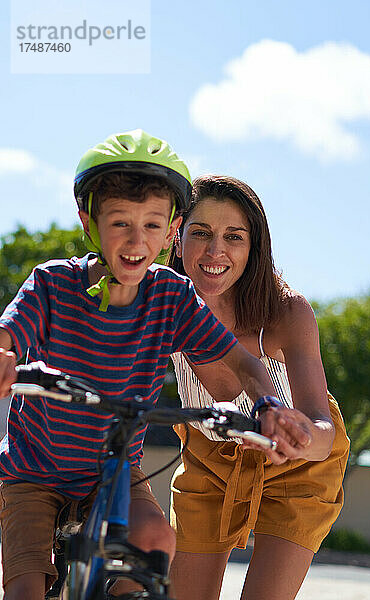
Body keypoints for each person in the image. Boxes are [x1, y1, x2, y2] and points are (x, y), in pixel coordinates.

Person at [0, 132, 308, 600]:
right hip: (33, 471)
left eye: (152, 225)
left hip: (117, 470)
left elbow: (243, 362)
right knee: (25, 586)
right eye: (120, 223)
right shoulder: (52, 284)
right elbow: (9, 336)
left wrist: (268, 403)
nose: (135, 241)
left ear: (172, 232)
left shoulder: (171, 297)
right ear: (89, 222)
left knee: (157, 539)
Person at [168, 174, 350, 600]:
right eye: (200, 233)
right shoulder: (162, 301)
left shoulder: (287, 311)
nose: (216, 251)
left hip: (300, 465)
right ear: (176, 237)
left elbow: (322, 431)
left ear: (254, 247)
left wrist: (296, 439)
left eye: (234, 236)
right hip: (209, 457)